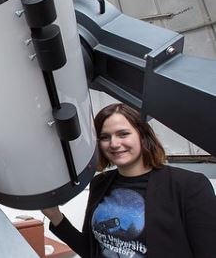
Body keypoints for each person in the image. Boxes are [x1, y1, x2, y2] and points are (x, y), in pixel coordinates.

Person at [42, 103, 216, 258]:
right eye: (105, 137)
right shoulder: (100, 183)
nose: (114, 143)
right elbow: (91, 250)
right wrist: (56, 217)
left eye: (123, 134)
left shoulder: (190, 186)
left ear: (142, 135)